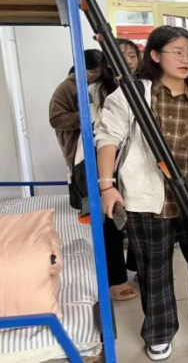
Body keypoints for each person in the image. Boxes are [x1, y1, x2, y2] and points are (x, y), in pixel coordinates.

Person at [95, 26, 188, 361]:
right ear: (156, 55)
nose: (186, 58)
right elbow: (108, 136)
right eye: (177, 51)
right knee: (153, 271)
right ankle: (159, 331)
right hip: (147, 200)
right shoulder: (132, 92)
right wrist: (107, 186)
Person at [75, 38, 143, 302]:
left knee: (141, 214)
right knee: (110, 220)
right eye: (120, 54)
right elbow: (98, 131)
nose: (127, 60)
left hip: (136, 161)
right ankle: (116, 279)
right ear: (108, 61)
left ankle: (139, 267)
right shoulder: (96, 90)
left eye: (132, 55)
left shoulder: (146, 86)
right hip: (105, 161)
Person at [49, 49, 102, 168]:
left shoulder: (100, 85)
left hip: (101, 144)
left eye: (101, 72)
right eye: (93, 72)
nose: (97, 75)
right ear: (80, 68)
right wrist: (87, 116)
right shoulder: (65, 88)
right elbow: (56, 119)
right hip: (78, 149)